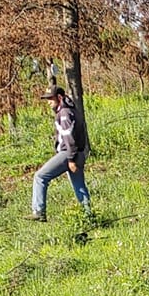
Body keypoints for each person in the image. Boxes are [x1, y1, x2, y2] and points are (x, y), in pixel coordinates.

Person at [31, 85, 91, 220]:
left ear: (59, 97)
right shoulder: (71, 110)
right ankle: (88, 215)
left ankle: (39, 211)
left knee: (40, 177)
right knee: (79, 186)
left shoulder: (64, 113)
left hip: (68, 153)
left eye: (50, 99)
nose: (48, 102)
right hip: (78, 153)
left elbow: (69, 136)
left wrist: (70, 159)